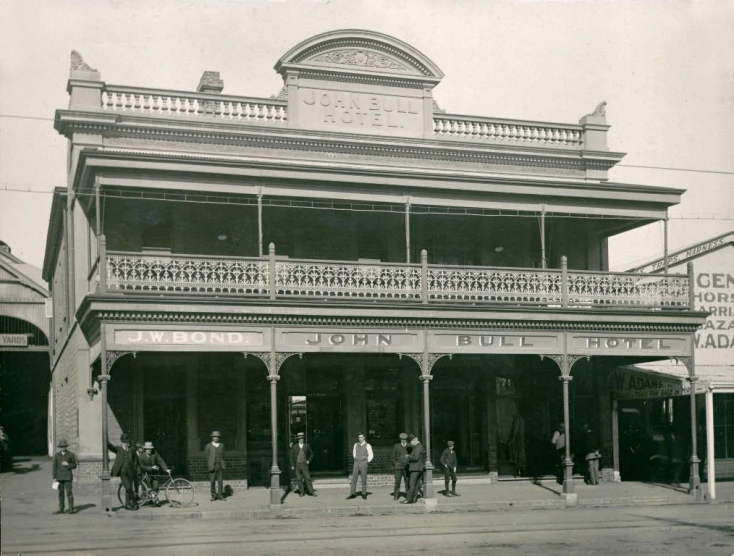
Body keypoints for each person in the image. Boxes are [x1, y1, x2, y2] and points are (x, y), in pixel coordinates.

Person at [107, 432, 139, 510]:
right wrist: (107, 441)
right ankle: (134, 502)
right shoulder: (119, 449)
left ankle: (127, 505)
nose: (126, 443)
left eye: (127, 442)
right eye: (125, 442)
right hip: (123, 472)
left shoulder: (132, 449)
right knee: (128, 487)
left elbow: (135, 460)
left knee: (129, 488)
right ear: (122, 442)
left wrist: (134, 468)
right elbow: (111, 447)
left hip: (131, 471)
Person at [52, 438, 78, 514]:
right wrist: (54, 477)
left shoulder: (70, 455)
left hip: (67, 477)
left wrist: (68, 465)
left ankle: (71, 509)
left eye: (64, 446)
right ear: (59, 447)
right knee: (61, 493)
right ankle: (61, 508)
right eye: (61, 446)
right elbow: (54, 467)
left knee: (69, 492)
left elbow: (74, 465)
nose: (63, 448)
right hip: (59, 477)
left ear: (66, 447)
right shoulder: (56, 456)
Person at [346, 433, 373, 500]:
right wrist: (356, 458)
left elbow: (371, 455)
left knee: (364, 479)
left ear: (364, 438)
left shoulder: (368, 445)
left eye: (361, 437)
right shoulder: (356, 445)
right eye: (359, 437)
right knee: (354, 479)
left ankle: (364, 494)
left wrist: (366, 461)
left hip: (364, 462)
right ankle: (352, 494)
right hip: (356, 462)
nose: (360, 438)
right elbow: (354, 453)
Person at [290, 432, 316, 497]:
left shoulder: (307, 446)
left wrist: (308, 461)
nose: (301, 440)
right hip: (297, 465)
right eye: (300, 439)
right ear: (298, 439)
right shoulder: (294, 446)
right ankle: (302, 492)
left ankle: (312, 492)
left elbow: (312, 454)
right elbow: (291, 456)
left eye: (302, 438)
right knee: (299, 479)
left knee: (308, 478)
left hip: (304, 465)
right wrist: (292, 465)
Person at [403, 434, 425, 504]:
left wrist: (408, 456)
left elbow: (416, 458)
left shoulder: (417, 447)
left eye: (411, 442)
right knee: (416, 485)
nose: (410, 444)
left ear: (414, 440)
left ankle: (409, 499)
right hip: (418, 468)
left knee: (411, 484)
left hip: (415, 469)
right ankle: (414, 499)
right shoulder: (418, 446)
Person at [205, 431, 226, 501]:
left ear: (219, 438)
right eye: (214, 437)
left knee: (220, 481)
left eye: (217, 437)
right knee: (212, 481)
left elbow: (223, 455)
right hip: (212, 465)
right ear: (212, 438)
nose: (215, 438)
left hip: (219, 465)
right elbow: (206, 456)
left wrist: (222, 463)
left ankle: (220, 495)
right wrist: (210, 463)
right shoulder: (208, 446)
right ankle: (213, 495)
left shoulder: (222, 445)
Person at [391, 432, 410, 500]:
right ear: (400, 439)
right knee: (397, 481)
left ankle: (408, 495)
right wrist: (395, 464)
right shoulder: (396, 446)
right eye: (402, 439)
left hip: (407, 467)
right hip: (398, 467)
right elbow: (392, 457)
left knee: (407, 481)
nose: (403, 440)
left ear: (406, 439)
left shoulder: (409, 446)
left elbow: (411, 456)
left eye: (404, 439)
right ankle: (396, 495)